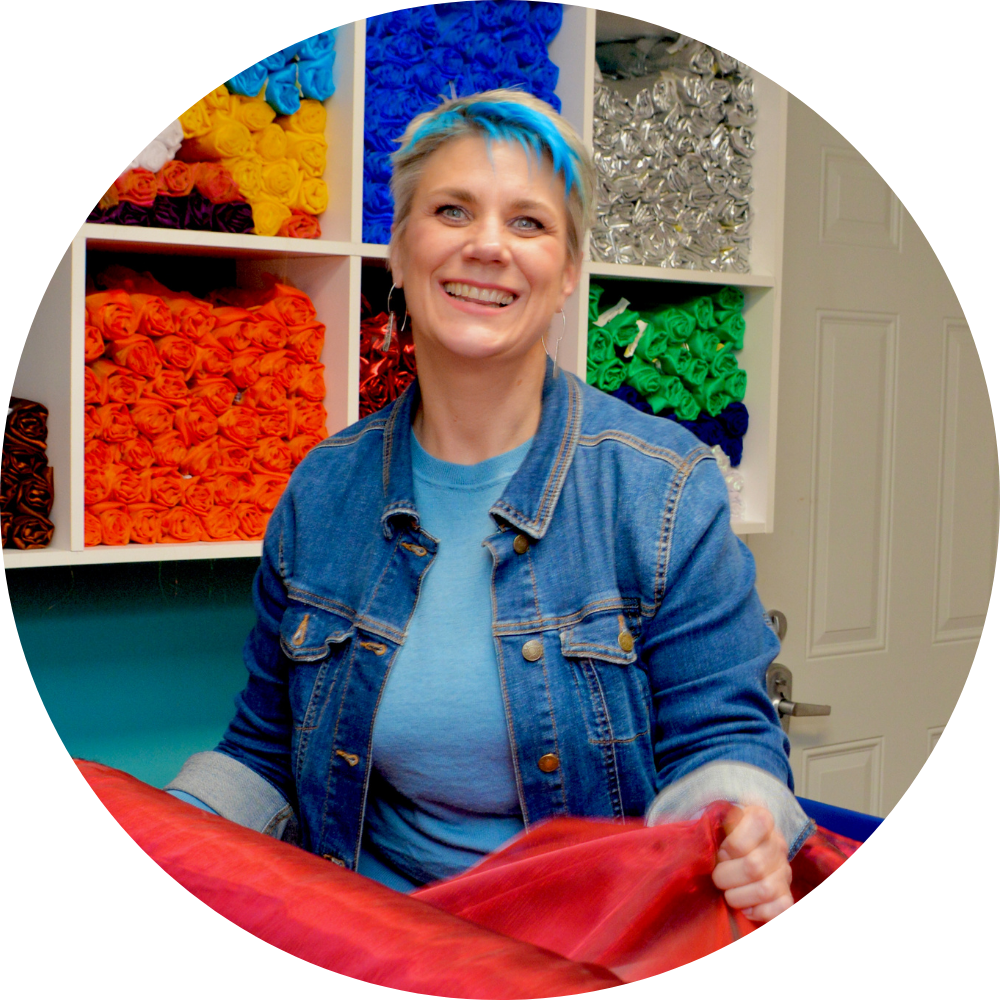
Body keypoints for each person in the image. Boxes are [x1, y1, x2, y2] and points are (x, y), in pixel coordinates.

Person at [167, 89, 810, 924]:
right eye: (451, 210)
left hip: (588, 945)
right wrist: (170, 826)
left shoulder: (662, 490)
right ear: (397, 251)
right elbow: (264, 751)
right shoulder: (322, 492)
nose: (487, 246)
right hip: (378, 940)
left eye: (529, 223)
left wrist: (745, 820)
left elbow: (724, 736)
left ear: (570, 272)